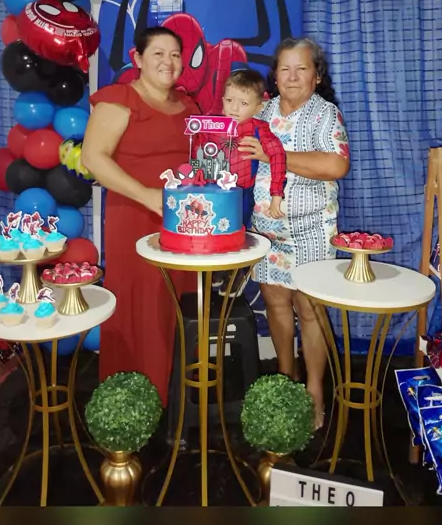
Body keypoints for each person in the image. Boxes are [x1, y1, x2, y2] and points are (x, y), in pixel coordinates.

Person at [81, 26, 198, 407]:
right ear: (138, 58)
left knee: (177, 306)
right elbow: (93, 158)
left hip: (183, 223)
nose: (168, 62)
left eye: (175, 54)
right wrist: (146, 195)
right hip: (134, 219)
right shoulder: (119, 99)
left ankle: (175, 398)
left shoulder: (190, 107)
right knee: (140, 307)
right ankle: (134, 403)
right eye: (158, 53)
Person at [238, 37, 350, 428]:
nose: (292, 76)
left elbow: (336, 166)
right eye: (285, 68)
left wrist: (274, 155)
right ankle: (288, 380)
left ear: (316, 76)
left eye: (302, 68)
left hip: (312, 229)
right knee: (277, 306)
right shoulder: (262, 111)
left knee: (310, 311)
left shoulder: (325, 114)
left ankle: (315, 389)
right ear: (275, 75)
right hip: (269, 232)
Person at [204, 69, 287, 297]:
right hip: (212, 192)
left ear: (258, 107)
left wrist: (276, 194)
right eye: (230, 100)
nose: (234, 108)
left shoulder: (260, 129)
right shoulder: (212, 125)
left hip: (242, 192)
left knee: (235, 231)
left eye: (243, 103)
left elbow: (278, 157)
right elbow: (198, 151)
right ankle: (220, 269)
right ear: (222, 100)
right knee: (212, 230)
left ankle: (236, 272)